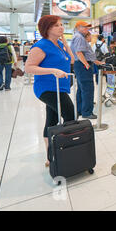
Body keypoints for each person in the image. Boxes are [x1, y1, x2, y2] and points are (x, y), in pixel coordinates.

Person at [24, 15, 76, 167]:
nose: (61, 27)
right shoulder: (41, 46)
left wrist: (65, 43)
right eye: (56, 25)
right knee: (70, 114)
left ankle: (50, 156)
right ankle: (64, 150)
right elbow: (28, 67)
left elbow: (71, 60)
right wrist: (52, 70)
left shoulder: (59, 44)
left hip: (60, 87)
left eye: (61, 24)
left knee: (51, 120)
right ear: (47, 29)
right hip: (48, 88)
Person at [70, 21, 104, 119]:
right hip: (83, 65)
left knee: (82, 89)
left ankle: (80, 110)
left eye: (87, 28)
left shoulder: (77, 36)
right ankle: (87, 112)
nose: (87, 30)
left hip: (80, 64)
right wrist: (86, 64)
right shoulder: (79, 37)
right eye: (85, 28)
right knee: (88, 89)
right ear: (78, 27)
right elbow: (79, 52)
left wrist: (96, 62)